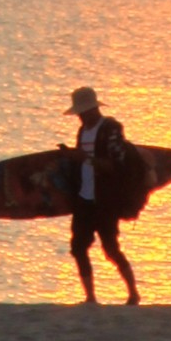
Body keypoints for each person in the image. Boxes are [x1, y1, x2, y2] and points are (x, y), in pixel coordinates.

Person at [65, 85, 140, 305]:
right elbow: (82, 161)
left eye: (82, 112)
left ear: (92, 109)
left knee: (110, 249)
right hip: (84, 198)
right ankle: (90, 297)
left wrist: (85, 159)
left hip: (106, 200)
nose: (79, 116)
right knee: (78, 247)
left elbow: (116, 165)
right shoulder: (82, 131)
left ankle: (133, 293)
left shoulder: (111, 128)